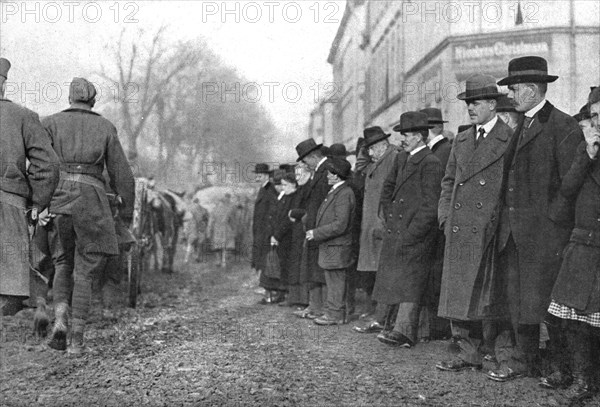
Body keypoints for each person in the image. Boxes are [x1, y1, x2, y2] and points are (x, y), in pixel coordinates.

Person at [488, 56, 584, 382]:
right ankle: (524, 360)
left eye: (514, 89)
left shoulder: (562, 125)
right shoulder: (523, 123)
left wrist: (553, 221)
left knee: (549, 304)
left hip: (546, 236)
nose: (510, 95)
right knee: (520, 301)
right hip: (516, 234)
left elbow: (571, 181)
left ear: (531, 89)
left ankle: (561, 368)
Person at [43, 77, 134, 354]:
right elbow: (123, 175)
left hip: (58, 201)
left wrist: (39, 203)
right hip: (92, 203)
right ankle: (77, 340)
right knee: (85, 272)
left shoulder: (49, 124)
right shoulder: (105, 126)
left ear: (70, 98)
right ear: (92, 100)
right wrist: (125, 211)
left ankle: (60, 319)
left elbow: (41, 167)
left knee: (62, 263)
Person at [435, 74, 513, 373]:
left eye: (476, 102)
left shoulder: (508, 138)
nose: (470, 108)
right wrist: (445, 217)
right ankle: (465, 351)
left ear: (493, 104)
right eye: (468, 102)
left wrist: (499, 226)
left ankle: (496, 353)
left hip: (489, 230)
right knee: (458, 292)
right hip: (459, 227)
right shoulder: (463, 138)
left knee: (490, 295)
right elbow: (449, 181)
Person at [545, 86, 600, 404]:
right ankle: (583, 382)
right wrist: (588, 155)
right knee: (574, 319)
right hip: (582, 243)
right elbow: (566, 193)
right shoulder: (586, 150)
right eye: (594, 116)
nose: (598, 122)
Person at [374, 111, 443, 348]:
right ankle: (397, 327)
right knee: (400, 280)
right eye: (402, 134)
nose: (402, 139)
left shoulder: (431, 162)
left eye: (407, 134)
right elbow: (387, 190)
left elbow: (430, 205)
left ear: (420, 137)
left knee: (411, 283)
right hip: (398, 231)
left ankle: (403, 331)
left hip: (417, 235)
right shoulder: (401, 159)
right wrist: (391, 219)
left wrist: (413, 233)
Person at [0, 57, 59, 316]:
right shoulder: (23, 116)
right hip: (10, 204)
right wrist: (37, 202)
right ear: (3, 84)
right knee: (11, 288)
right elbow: (48, 165)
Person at [353, 127, 398, 333]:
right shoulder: (377, 162)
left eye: (371, 149)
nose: (368, 154)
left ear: (382, 146)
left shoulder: (394, 159)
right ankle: (380, 315)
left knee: (386, 274)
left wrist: (384, 223)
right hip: (372, 228)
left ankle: (384, 318)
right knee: (377, 274)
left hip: (382, 228)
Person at [306, 157, 356, 325]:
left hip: (337, 245)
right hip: (333, 245)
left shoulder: (343, 193)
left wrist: (317, 233)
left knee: (336, 281)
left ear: (336, 175)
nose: (327, 175)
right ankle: (337, 313)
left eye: (329, 172)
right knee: (334, 280)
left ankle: (335, 315)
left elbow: (340, 224)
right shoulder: (338, 191)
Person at [292, 139, 331, 319]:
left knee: (321, 270)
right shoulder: (318, 171)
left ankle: (323, 308)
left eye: (305, 160)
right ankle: (315, 306)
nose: (304, 164)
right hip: (314, 228)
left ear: (313, 156)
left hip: (322, 228)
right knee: (313, 269)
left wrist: (318, 227)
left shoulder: (327, 170)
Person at [251, 163, 277, 295]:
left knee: (266, 258)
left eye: (260, 175)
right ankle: (266, 287)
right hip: (261, 230)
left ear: (267, 175)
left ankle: (268, 288)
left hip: (265, 230)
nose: (257, 178)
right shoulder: (263, 188)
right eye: (257, 175)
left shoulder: (270, 189)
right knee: (262, 257)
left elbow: (272, 212)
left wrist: (269, 231)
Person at [208, 193, 236, 268]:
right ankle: (223, 261)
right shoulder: (227, 210)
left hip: (217, 228)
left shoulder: (214, 210)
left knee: (217, 245)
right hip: (225, 228)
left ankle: (218, 261)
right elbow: (232, 221)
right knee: (224, 245)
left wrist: (209, 230)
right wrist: (233, 229)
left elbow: (211, 222)